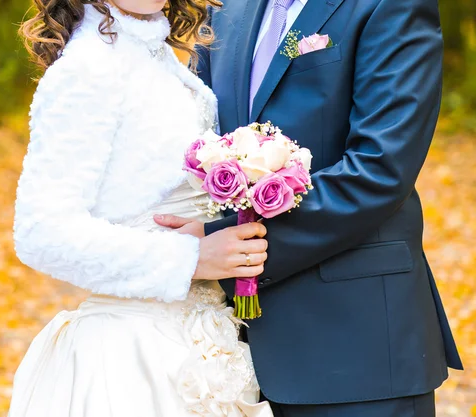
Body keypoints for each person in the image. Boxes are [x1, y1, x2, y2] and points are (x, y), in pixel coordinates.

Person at [154, 0, 464, 416]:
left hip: (355, 346)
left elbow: (380, 170)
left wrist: (231, 246)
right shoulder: (227, 10)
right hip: (223, 363)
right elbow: (199, 140)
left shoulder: (391, 5)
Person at [8, 0, 273, 416]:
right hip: (129, 359)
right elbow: (42, 232)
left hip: (205, 344)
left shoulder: (162, 59)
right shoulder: (87, 69)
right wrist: (192, 258)